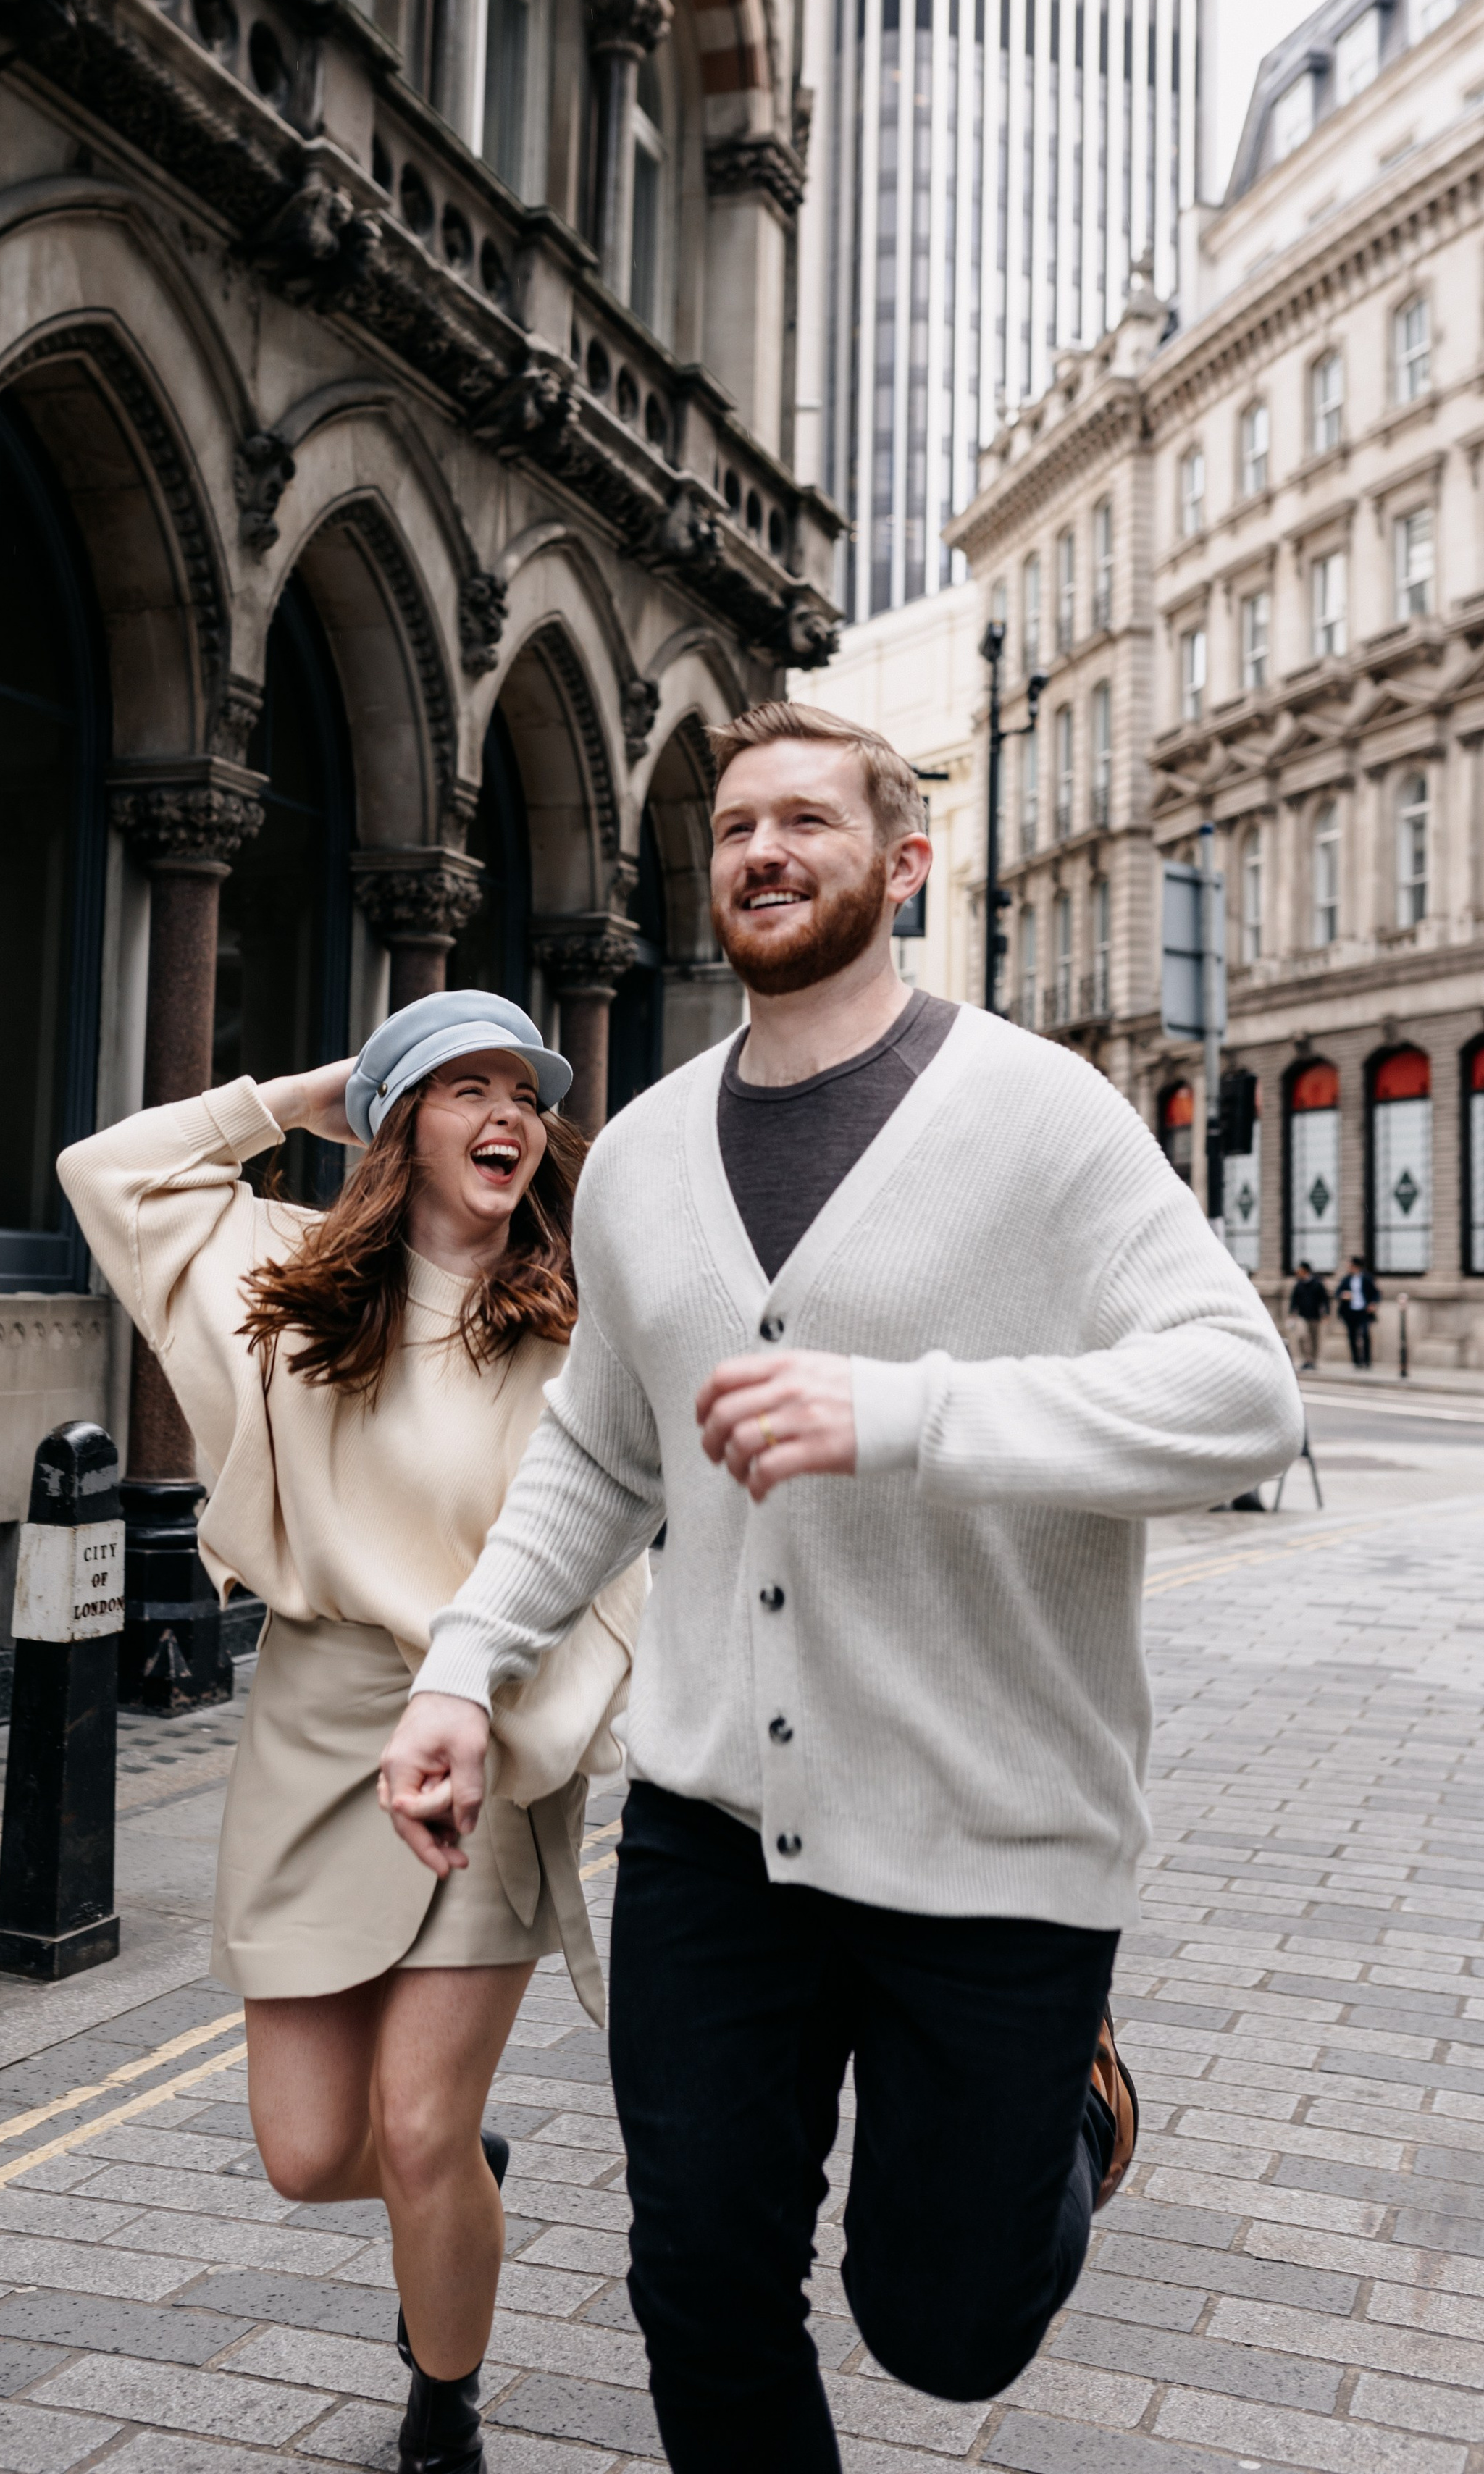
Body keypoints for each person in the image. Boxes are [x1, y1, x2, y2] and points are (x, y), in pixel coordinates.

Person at [377, 701, 1303, 2473]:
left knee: (940, 2328)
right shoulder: (638, 1152)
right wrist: (459, 1670)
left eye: (805, 819)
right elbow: (597, 1453)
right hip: (712, 1820)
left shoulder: (1036, 1111)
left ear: (902, 863)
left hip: (988, 1816)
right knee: (697, 2282)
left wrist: (903, 1415)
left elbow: (1237, 1394)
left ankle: (1070, 2102)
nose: (760, 850)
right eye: (733, 825)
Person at [58, 994, 645, 2474]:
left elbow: (606, 1547)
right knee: (312, 2151)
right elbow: (103, 1173)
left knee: (420, 2126)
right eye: (463, 1089)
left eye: (524, 1093)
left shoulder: (573, 1319)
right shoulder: (283, 1277)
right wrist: (302, 1094)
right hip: (312, 1726)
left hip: (489, 1732)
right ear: (396, 1128)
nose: (508, 1116)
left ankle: (443, 2412)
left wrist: (526, 1723)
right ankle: (453, 2187)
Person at [1288, 1260, 1330, 1371]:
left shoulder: (1317, 1284)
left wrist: (1326, 1313)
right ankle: (1307, 1359)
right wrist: (1291, 1313)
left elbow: (1324, 1300)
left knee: (1314, 1338)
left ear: (1305, 1270)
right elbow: (1294, 1300)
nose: (1297, 1272)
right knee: (1301, 1336)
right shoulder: (1299, 1284)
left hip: (1315, 1316)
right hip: (1302, 1315)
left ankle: (1313, 1361)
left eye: (1300, 1270)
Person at [1336, 1252, 1377, 1368]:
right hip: (1350, 1311)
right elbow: (1338, 1292)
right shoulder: (1347, 1279)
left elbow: (1375, 1293)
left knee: (1365, 1334)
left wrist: (1372, 1304)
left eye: (1350, 1265)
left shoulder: (1366, 1278)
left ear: (1356, 1266)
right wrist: (1344, 1295)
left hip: (1363, 1311)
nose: (1348, 1267)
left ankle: (1367, 1360)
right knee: (1352, 1335)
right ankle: (1356, 1360)